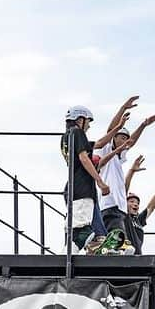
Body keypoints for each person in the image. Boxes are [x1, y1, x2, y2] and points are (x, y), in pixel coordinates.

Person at [97, 114, 155, 254]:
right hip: (109, 202)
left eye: (126, 138)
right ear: (114, 138)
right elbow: (110, 130)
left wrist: (143, 125)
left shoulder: (119, 158)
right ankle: (114, 247)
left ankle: (109, 249)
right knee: (118, 231)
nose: (125, 142)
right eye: (122, 138)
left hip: (118, 206)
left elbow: (131, 142)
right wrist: (123, 109)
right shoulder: (105, 150)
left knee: (116, 232)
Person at [61, 105, 113, 252]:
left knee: (75, 231)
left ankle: (67, 258)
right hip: (83, 187)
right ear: (80, 119)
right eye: (88, 121)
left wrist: (118, 127)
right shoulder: (78, 132)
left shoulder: (66, 137)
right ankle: (90, 245)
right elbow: (84, 158)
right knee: (81, 233)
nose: (89, 126)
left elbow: (99, 143)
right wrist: (100, 181)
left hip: (74, 187)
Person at [123, 175, 155, 255]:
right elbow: (122, 192)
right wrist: (132, 171)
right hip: (125, 255)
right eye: (131, 201)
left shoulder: (138, 220)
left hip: (138, 256)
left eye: (137, 203)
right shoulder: (123, 216)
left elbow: (150, 208)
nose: (135, 204)